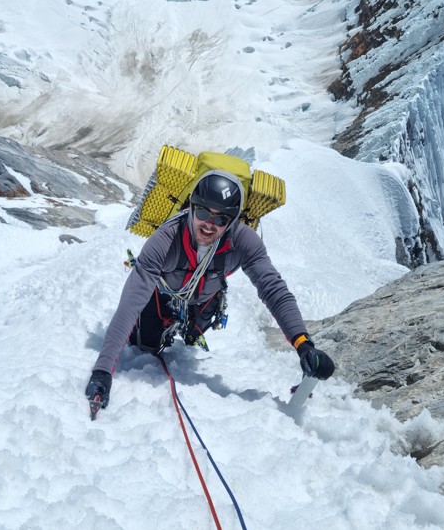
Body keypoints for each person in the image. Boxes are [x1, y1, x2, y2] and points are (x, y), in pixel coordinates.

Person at [85, 169, 335, 411]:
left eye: (220, 219)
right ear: (191, 207)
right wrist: (103, 370)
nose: (209, 225)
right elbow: (131, 302)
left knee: (193, 334)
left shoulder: (243, 241)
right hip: (161, 298)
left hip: (204, 302)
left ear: (232, 221)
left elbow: (273, 289)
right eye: (203, 212)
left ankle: (189, 329)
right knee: (145, 346)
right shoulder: (166, 239)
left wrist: (303, 343)